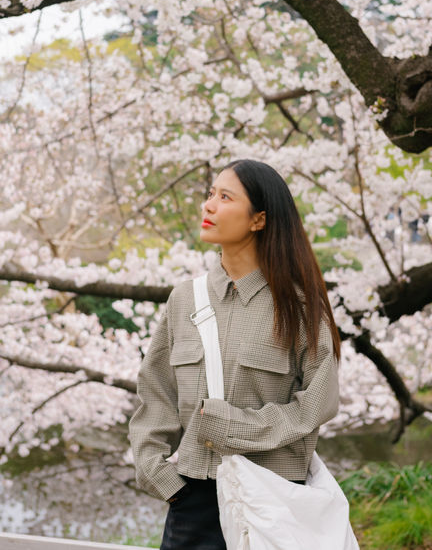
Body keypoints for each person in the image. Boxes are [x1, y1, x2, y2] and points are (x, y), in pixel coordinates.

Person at [128, 158, 342, 550]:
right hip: (193, 502)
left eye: (225, 197)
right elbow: (155, 392)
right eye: (210, 194)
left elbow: (318, 404)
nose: (208, 205)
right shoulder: (185, 300)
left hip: (273, 502)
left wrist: (234, 428)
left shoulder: (300, 308)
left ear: (259, 220)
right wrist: (160, 476)